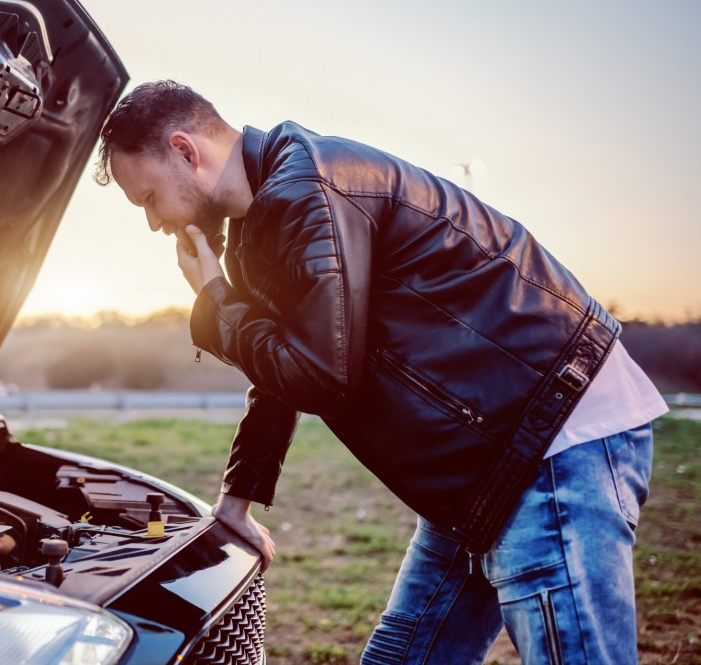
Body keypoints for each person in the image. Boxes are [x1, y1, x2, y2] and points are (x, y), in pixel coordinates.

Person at [94, 80, 667, 665]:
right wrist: (235, 502)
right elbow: (279, 372)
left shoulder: (306, 190)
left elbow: (320, 376)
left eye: (147, 198)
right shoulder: (262, 223)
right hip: (485, 466)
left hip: (551, 437)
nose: (154, 223)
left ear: (186, 152)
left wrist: (216, 299)